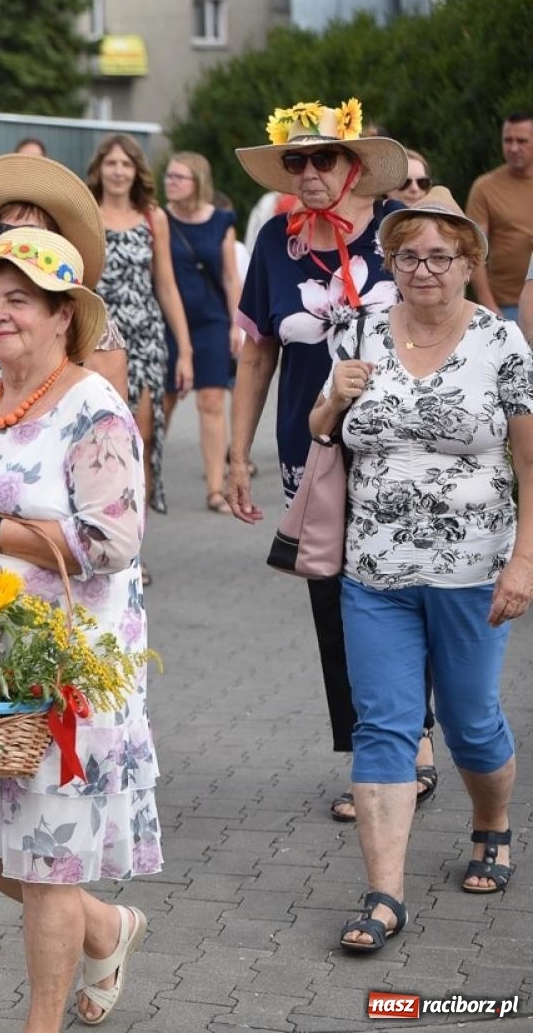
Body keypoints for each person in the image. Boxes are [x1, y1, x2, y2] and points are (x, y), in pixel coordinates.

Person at [0, 225, 157, 1029]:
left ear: (61, 318)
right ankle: (107, 928)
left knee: (47, 866)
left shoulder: (94, 407)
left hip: (57, 672)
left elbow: (113, 541)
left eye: (19, 300)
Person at [308, 191, 527, 952]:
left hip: (474, 572)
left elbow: (530, 461)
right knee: (384, 726)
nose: (424, 269)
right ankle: (384, 895)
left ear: (469, 264)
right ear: (389, 264)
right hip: (375, 572)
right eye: (407, 256)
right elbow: (317, 426)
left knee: (469, 724)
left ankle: (492, 823)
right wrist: (333, 398)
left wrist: (524, 561)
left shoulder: (502, 342)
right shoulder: (360, 329)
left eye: (441, 256)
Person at [226, 98, 414, 823]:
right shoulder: (275, 241)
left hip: (403, 445)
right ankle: (374, 750)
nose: (307, 172)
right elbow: (258, 355)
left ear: (354, 165)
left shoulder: (400, 232)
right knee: (332, 597)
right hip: (313, 447)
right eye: (295, 161)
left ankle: (410, 742)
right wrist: (234, 457)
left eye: (322, 158)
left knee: (402, 587)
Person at [0, 153, 128, 397]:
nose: (15, 242)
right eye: (3, 231)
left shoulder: (93, 326)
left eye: (30, 233)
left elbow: (111, 418)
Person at [87, 133, 193, 522]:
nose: (118, 171)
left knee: (140, 439)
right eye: (111, 163)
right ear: (99, 168)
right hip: (97, 338)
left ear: (137, 171)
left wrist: (185, 349)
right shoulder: (85, 213)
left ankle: (133, 545)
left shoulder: (153, 216)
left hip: (146, 338)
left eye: (126, 164)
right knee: (99, 438)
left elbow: (165, 284)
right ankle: (99, 525)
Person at [161, 152, 242, 512]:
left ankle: (215, 488)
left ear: (198, 182)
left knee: (211, 403)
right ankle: (144, 481)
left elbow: (229, 275)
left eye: (179, 177)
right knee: (160, 405)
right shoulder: (158, 219)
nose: (170, 182)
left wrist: (237, 323)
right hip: (166, 323)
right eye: (168, 176)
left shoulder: (221, 220)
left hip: (211, 321)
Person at [466, 111, 533, 325]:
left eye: (522, 141)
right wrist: (490, 309)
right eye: (508, 140)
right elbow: (474, 250)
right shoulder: (485, 187)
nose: (513, 148)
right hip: (507, 306)